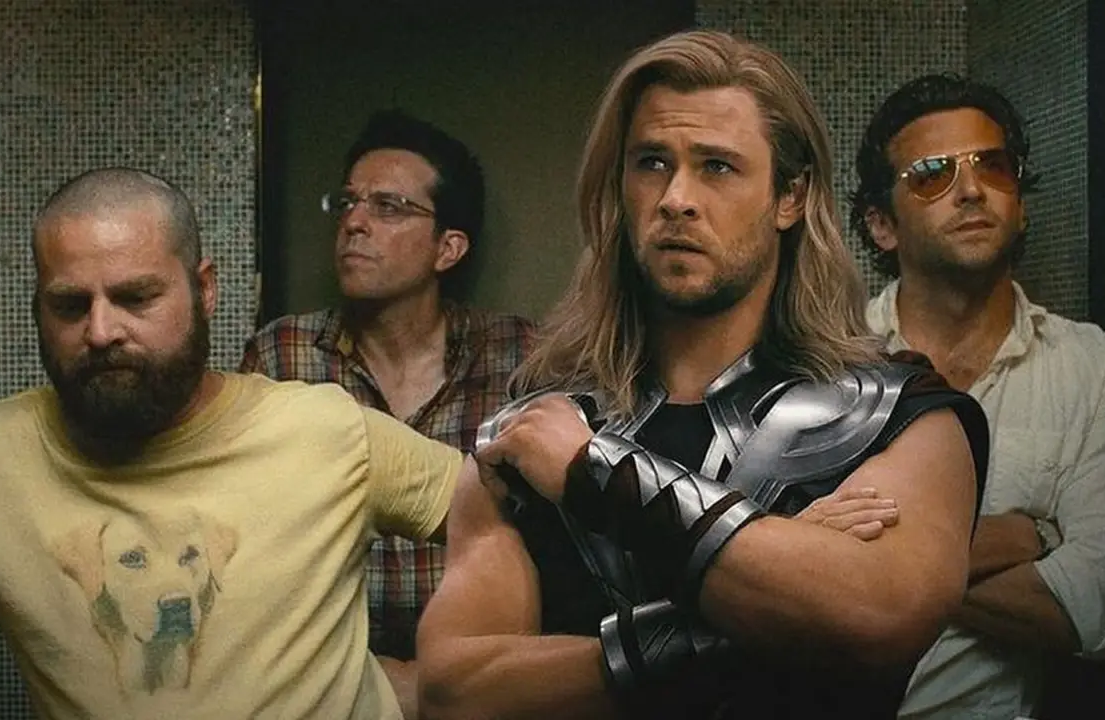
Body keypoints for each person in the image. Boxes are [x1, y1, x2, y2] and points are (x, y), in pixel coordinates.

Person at [414, 31, 990, 719]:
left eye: (717, 166)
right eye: (652, 163)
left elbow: (879, 616)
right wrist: (769, 603)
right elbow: (456, 693)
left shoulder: (898, 413)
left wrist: (593, 469)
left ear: (789, 195)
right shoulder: (532, 433)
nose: (676, 198)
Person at [0, 167, 472, 719]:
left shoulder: (329, 432)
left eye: (136, 297)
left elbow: (511, 527)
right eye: (69, 305)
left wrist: (439, 681)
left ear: (204, 289)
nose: (100, 331)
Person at [847, 73, 1105, 718]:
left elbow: (1097, 610)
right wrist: (1026, 538)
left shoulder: (1091, 367)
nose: (970, 190)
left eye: (993, 166)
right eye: (932, 174)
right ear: (881, 225)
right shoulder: (832, 363)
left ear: (1022, 203)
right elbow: (770, 573)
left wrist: (871, 570)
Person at [239, 109, 533, 717]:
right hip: (326, 688)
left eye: (389, 207)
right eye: (348, 202)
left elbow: (559, 548)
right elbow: (246, 541)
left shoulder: (518, 357)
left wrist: (443, 679)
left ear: (448, 248)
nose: (354, 222)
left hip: (485, 688)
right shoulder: (284, 355)